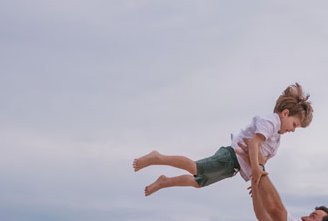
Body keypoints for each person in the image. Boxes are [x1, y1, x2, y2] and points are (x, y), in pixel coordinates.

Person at [132, 83, 313, 195]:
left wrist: (257, 176)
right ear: (285, 113)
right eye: (295, 124)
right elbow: (253, 143)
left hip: (233, 167)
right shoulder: (271, 122)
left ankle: (165, 181)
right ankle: (158, 157)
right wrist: (256, 170)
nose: (293, 130)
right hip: (230, 157)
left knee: (197, 182)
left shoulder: (276, 141)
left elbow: (262, 160)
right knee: (195, 167)